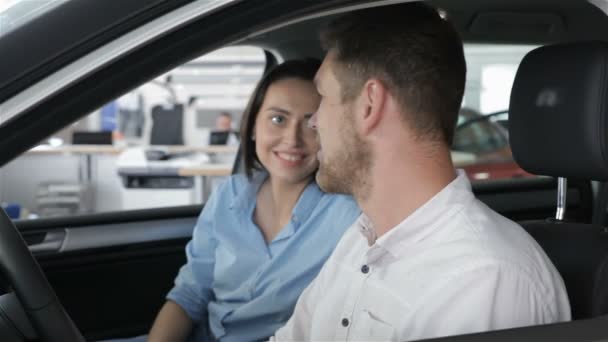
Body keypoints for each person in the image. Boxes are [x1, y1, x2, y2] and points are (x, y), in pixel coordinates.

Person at [272, 3, 570, 341]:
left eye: (323, 97)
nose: (314, 121)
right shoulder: (362, 238)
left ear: (370, 104)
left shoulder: (484, 281)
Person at [147, 58, 360, 342]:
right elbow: (189, 296)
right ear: (252, 126)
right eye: (278, 119)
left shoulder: (349, 214)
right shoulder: (229, 194)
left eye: (311, 124)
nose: (292, 139)